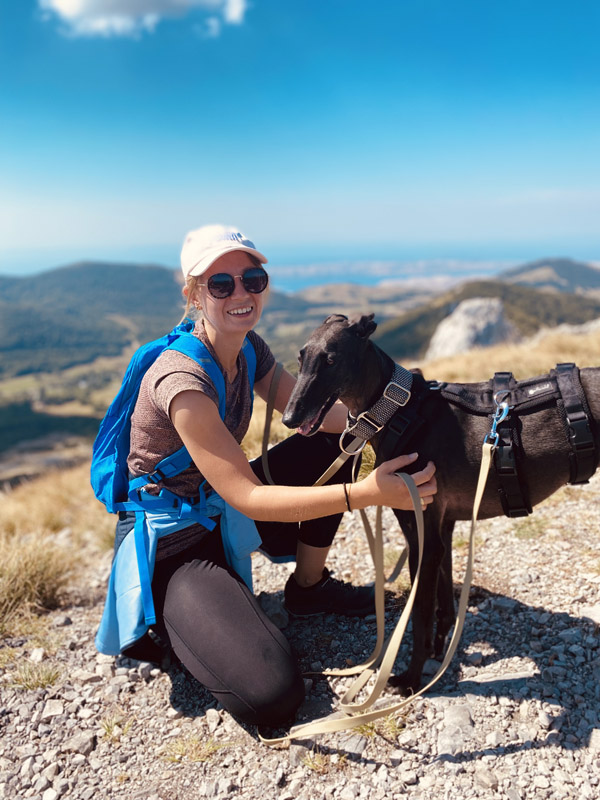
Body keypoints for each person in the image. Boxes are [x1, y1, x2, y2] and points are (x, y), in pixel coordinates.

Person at [97, 224, 437, 728]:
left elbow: (316, 418)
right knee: (274, 694)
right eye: (221, 284)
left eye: (252, 279)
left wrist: (405, 408)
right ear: (194, 295)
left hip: (218, 510)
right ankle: (169, 618)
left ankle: (309, 589)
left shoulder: (248, 349)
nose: (241, 293)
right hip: (173, 542)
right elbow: (248, 496)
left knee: (332, 443)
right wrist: (368, 493)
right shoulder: (182, 380)